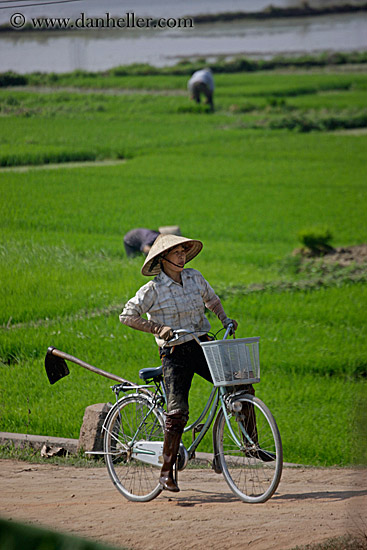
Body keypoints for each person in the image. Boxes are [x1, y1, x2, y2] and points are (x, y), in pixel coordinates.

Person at [119, 233, 241, 492]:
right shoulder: (153, 289)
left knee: (237, 385)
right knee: (177, 413)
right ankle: (166, 472)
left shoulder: (195, 277)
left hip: (202, 343)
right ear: (163, 259)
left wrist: (224, 319)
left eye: (184, 251)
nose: (182, 256)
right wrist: (156, 328)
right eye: (176, 253)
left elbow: (212, 300)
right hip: (175, 353)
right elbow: (127, 316)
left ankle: (249, 443)